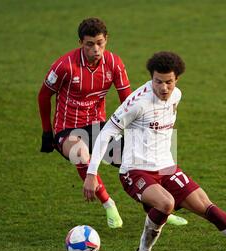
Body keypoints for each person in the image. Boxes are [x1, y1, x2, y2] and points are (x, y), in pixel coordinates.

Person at [83, 51, 226, 251]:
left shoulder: (176, 96)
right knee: (166, 203)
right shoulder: (138, 103)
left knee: (212, 211)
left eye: (169, 82)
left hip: (167, 168)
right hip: (135, 170)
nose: (163, 88)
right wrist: (91, 173)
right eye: (158, 81)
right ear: (151, 78)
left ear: (177, 80)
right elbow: (106, 132)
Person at [38, 18, 187, 228]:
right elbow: (44, 96)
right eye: (90, 44)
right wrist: (47, 132)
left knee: (144, 160)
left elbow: (128, 100)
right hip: (68, 131)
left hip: (99, 128)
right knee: (81, 153)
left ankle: (161, 208)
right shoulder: (65, 66)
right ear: (80, 42)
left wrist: (139, 135)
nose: (96, 49)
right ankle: (109, 204)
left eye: (100, 43)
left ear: (106, 40)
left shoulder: (114, 63)